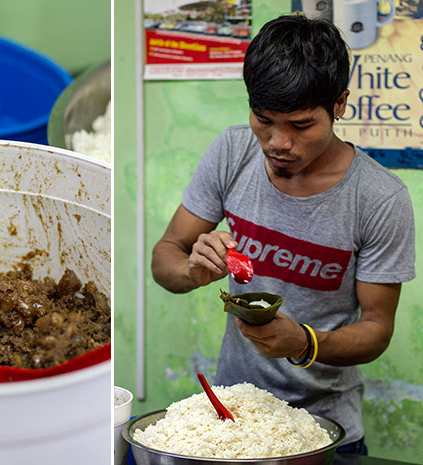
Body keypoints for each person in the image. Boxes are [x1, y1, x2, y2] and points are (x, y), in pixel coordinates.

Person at [151, 14, 416, 453]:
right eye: (263, 118)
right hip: (233, 419)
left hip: (326, 430)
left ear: (340, 104)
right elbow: (167, 256)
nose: (278, 142)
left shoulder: (379, 198)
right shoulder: (232, 152)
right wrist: (191, 272)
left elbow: (376, 328)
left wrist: (305, 343)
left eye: (300, 125)